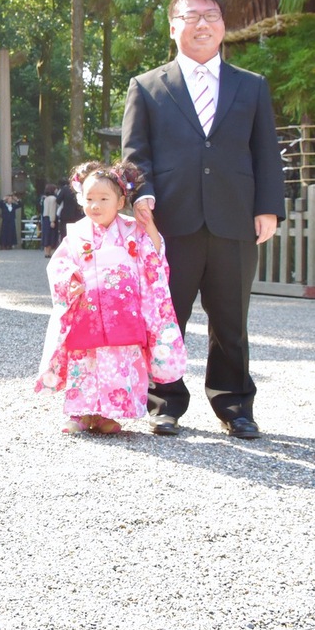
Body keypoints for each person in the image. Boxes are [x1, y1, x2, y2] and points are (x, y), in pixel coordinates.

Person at [122, 0, 286, 439]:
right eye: (191, 16)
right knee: (167, 315)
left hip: (235, 218)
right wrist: (141, 198)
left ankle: (234, 405)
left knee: (231, 319)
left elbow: (266, 152)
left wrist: (269, 207)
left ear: (223, 26)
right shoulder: (148, 87)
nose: (202, 24)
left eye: (211, 15)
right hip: (170, 222)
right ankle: (164, 403)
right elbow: (136, 154)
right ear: (173, 27)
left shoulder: (251, 87)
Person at [36, 161, 187, 433]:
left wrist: (149, 225)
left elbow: (154, 258)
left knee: (117, 363)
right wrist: (69, 279)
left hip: (123, 314)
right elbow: (59, 264)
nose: (95, 205)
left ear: (120, 202)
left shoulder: (133, 230)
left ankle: (110, 414)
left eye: (104, 198)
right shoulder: (77, 232)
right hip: (88, 311)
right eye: (89, 198)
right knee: (85, 361)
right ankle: (81, 413)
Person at [40, 185, 58, 257]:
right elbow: (52, 210)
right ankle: (50, 252)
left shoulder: (45, 198)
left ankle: (46, 252)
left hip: (45, 218)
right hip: (51, 218)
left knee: (46, 235)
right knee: (51, 235)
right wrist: (52, 220)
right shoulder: (53, 198)